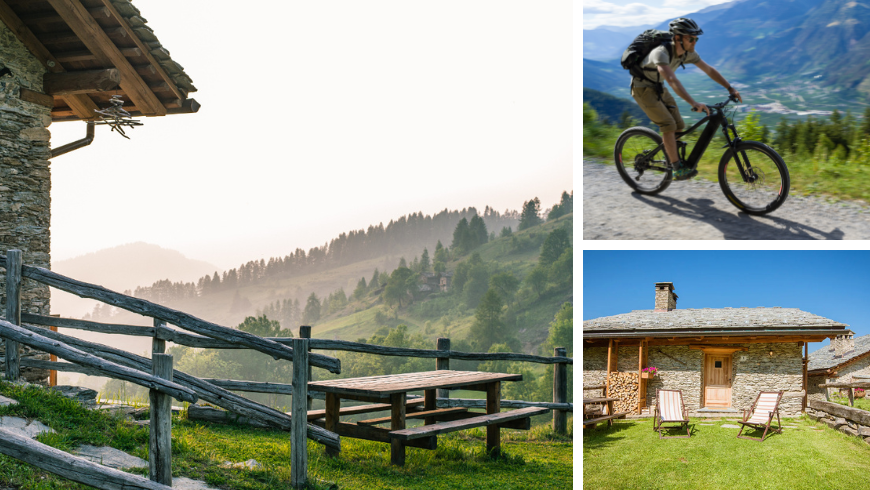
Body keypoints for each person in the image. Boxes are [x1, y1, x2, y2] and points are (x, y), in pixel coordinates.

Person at [630, 18, 743, 180]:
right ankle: (676, 167)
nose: (694, 42)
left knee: (679, 125)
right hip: (642, 89)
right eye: (691, 38)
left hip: (658, 87)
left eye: (696, 38)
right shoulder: (660, 52)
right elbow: (672, 80)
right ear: (677, 38)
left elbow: (709, 70)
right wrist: (693, 103)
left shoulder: (687, 53)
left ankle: (672, 157)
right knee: (668, 125)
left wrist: (730, 88)